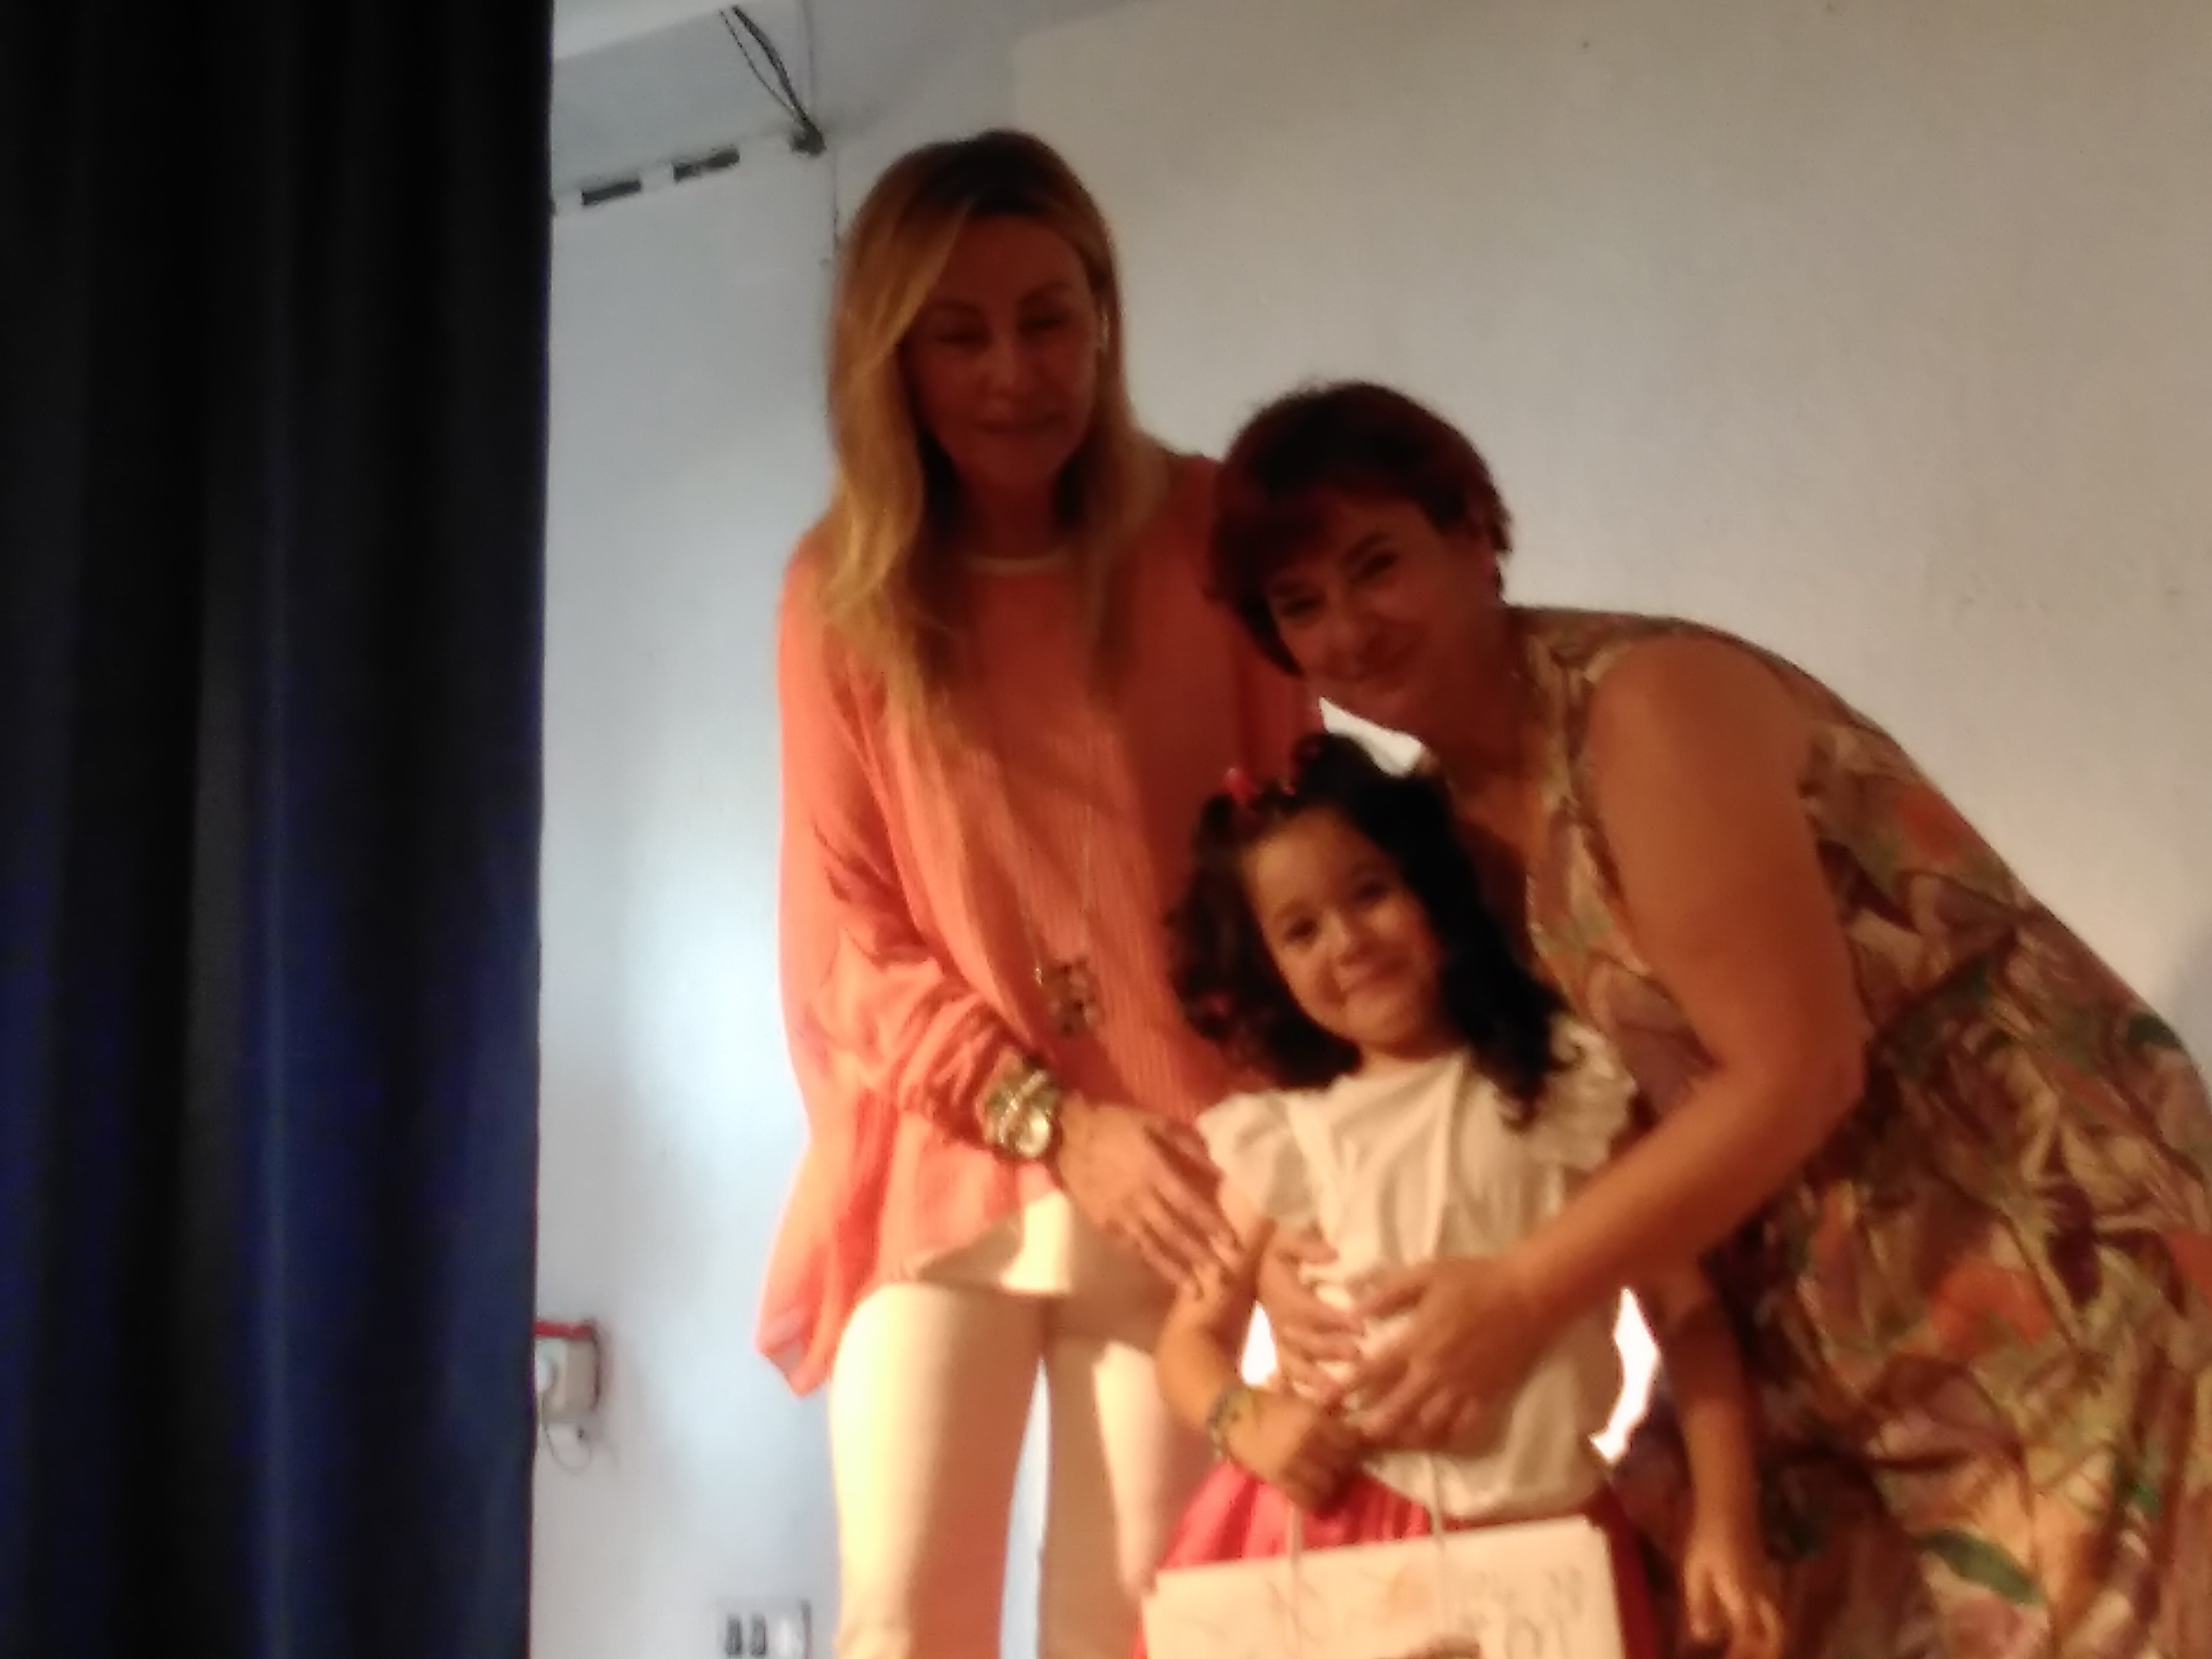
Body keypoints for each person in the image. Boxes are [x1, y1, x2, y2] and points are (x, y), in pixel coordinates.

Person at [1204, 381, 2212, 1658]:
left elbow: (1798, 1071)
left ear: (1470, 533)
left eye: (1377, 565)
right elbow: (1459, 1096)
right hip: (1800, 1314)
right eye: (1302, 604)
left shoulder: (1645, 707)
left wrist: (1520, 1293)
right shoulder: (1434, 827)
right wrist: (1294, 1253)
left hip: (2032, 1245)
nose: (1350, 628)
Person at [756, 130, 1315, 1659]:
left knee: (1140, 1628)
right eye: (960, 335)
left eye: (1050, 319)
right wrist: (1057, 1123)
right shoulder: (842, 594)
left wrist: (1300, 1156)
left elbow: (1299, 845)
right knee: (903, 1624)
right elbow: (854, 945)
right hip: (942, 1168)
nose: (1016, 373)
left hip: (1185, 1174)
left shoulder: (1205, 537)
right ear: (893, 360)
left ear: (1103, 318)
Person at [1138, 733, 1782, 1659]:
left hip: (1543, 1556)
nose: (1349, 942)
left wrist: (1726, 1520)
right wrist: (1244, 1419)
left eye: (1369, 893)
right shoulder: (1289, 1134)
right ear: (1267, 967)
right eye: (1301, 930)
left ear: (1430, 886)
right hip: (1325, 1536)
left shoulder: (1568, 1093)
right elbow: (1186, 1342)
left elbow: (1692, 1319)